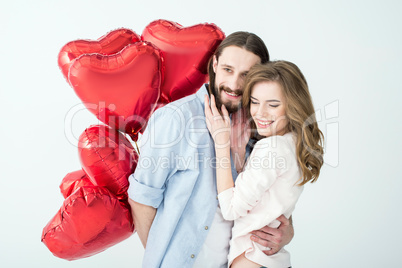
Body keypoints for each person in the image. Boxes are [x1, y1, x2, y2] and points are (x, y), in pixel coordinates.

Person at [127, 32, 294, 268]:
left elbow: (274, 192)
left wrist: (288, 232)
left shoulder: (263, 126)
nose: (234, 84)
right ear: (214, 64)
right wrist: (164, 257)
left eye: (246, 75)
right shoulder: (176, 119)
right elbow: (142, 199)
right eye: (227, 69)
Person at [204, 61, 324, 267]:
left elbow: (231, 209)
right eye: (254, 102)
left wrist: (221, 144)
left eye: (273, 105)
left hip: (253, 259)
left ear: (293, 105)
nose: (260, 113)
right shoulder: (293, 142)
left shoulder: (272, 148)